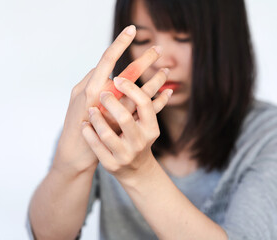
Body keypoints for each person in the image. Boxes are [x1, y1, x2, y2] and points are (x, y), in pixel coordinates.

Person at [28, 0, 277, 239]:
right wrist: (69, 165)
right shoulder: (105, 121)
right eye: (143, 40)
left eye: (183, 37)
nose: (162, 60)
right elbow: (49, 236)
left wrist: (140, 172)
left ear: (227, 39)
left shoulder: (267, 135)